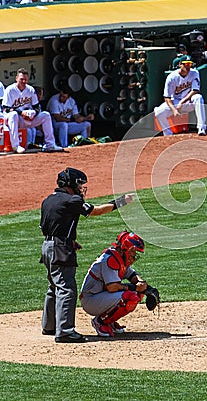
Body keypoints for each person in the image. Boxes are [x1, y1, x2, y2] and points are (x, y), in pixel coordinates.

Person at [40, 167, 135, 343]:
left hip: (47, 246)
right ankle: (65, 331)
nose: (81, 188)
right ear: (70, 184)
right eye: (79, 184)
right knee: (66, 288)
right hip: (60, 248)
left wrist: (69, 241)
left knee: (54, 286)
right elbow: (95, 211)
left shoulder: (49, 200)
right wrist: (119, 202)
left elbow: (49, 225)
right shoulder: (72, 200)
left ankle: (49, 326)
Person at [80, 230, 152, 337]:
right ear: (125, 249)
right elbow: (112, 287)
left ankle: (110, 321)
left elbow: (132, 276)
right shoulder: (109, 260)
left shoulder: (120, 258)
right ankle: (100, 322)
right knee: (130, 297)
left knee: (138, 294)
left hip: (101, 296)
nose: (134, 255)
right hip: (91, 299)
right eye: (133, 251)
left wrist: (147, 289)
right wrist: (135, 287)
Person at [2, 68, 62, 153]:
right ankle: (16, 146)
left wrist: (34, 113)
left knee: (46, 115)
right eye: (21, 79)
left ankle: (50, 145)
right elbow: (6, 108)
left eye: (25, 79)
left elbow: (36, 106)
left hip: (27, 118)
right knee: (14, 114)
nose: (23, 81)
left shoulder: (30, 89)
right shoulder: (10, 90)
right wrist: (21, 112)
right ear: (16, 79)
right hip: (13, 120)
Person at [154, 54, 207, 136]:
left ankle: (201, 128)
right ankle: (168, 133)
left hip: (188, 101)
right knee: (158, 112)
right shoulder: (171, 77)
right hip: (175, 102)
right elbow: (167, 97)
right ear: (180, 65)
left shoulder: (194, 73)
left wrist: (182, 102)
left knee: (198, 97)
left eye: (189, 64)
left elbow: (195, 90)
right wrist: (174, 110)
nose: (188, 66)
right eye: (185, 64)